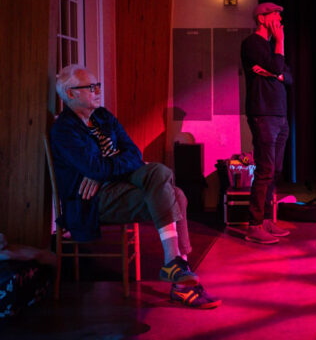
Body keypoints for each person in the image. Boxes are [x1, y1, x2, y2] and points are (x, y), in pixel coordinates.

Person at [50, 65, 221, 309]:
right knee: (176, 195)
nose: (98, 91)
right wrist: (104, 172)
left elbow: (133, 153)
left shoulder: (103, 117)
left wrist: (104, 172)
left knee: (161, 173)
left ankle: (174, 264)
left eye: (98, 85)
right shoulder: (65, 129)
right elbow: (97, 168)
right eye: (91, 87)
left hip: (116, 184)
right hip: (92, 201)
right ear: (71, 94)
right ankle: (180, 276)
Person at [240, 2, 293, 244]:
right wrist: (280, 44)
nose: (280, 21)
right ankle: (254, 225)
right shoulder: (252, 44)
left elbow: (288, 77)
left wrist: (274, 72)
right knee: (265, 170)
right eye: (275, 16)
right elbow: (277, 66)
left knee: (276, 170)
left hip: (280, 115)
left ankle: (267, 220)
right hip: (263, 114)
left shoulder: (272, 49)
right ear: (262, 18)